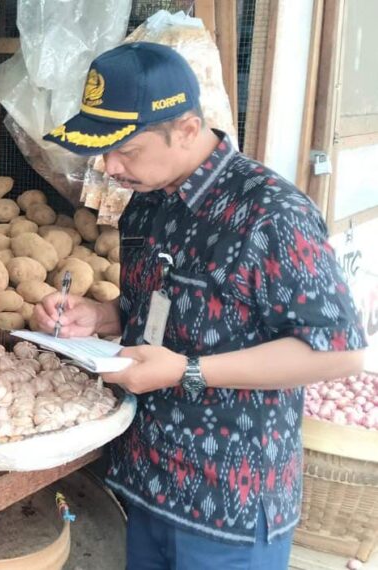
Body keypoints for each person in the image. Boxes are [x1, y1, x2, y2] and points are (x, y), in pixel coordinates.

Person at [36, 42, 366, 568]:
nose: (111, 166)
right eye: (104, 150)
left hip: (228, 505)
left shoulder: (271, 213)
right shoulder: (146, 203)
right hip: (148, 481)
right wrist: (101, 317)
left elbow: (337, 353)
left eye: (127, 149)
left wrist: (188, 371)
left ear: (188, 129)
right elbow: (164, 305)